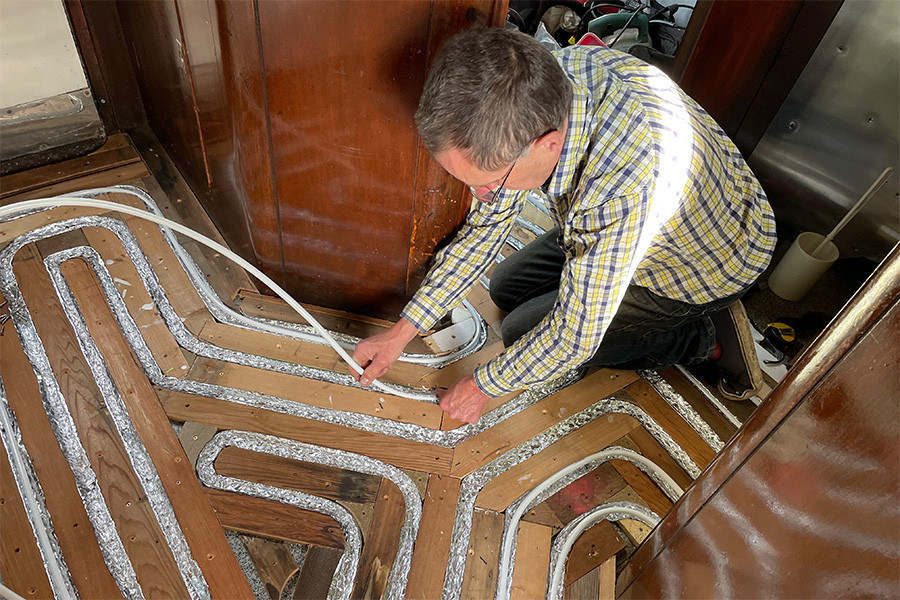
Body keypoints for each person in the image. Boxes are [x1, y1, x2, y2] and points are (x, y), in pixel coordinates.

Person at [353, 28, 776, 424]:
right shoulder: (550, 81)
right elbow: (485, 231)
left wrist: (483, 386)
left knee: (522, 331)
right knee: (504, 286)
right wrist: (402, 332)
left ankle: (700, 336)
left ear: (548, 145)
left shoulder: (623, 187)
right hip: (648, 219)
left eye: (488, 183)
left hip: (706, 260)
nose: (482, 198)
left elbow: (574, 337)